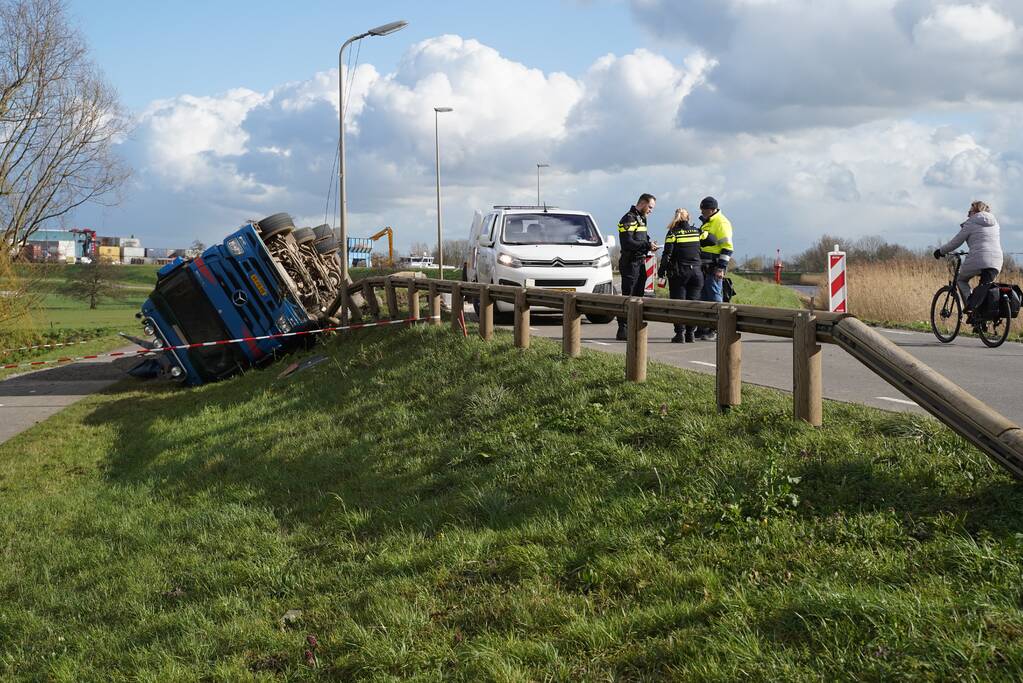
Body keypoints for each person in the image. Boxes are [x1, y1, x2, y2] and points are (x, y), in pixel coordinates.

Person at [933, 200, 1003, 327]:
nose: (967, 215)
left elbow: (956, 242)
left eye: (969, 212)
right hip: (997, 261)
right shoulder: (995, 223)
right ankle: (980, 320)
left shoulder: (972, 222)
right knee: (985, 286)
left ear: (975, 211)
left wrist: (941, 251)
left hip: (979, 259)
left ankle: (971, 308)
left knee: (961, 279)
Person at [657, 208, 716, 343]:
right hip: (696, 273)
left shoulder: (673, 233)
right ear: (688, 218)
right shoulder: (696, 232)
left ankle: (680, 334)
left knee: (679, 304)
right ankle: (690, 334)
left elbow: (667, 255)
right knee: (693, 305)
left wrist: (661, 272)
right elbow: (713, 240)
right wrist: (703, 230)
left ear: (675, 218)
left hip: (679, 273)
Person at [615, 193, 659, 341]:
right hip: (630, 263)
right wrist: (646, 245)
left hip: (640, 262)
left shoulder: (641, 218)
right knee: (628, 296)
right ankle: (623, 329)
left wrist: (649, 244)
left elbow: (641, 238)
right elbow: (627, 243)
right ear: (643, 203)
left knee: (639, 296)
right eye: (650, 207)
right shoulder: (628, 219)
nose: (651, 211)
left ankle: (634, 325)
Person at [694, 196, 734, 341]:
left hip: (714, 267)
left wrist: (720, 268)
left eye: (704, 210)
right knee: (704, 298)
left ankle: (717, 329)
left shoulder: (721, 222)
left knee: (715, 297)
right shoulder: (708, 222)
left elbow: (727, 248)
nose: (702, 212)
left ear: (711, 209)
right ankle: (703, 327)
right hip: (704, 266)